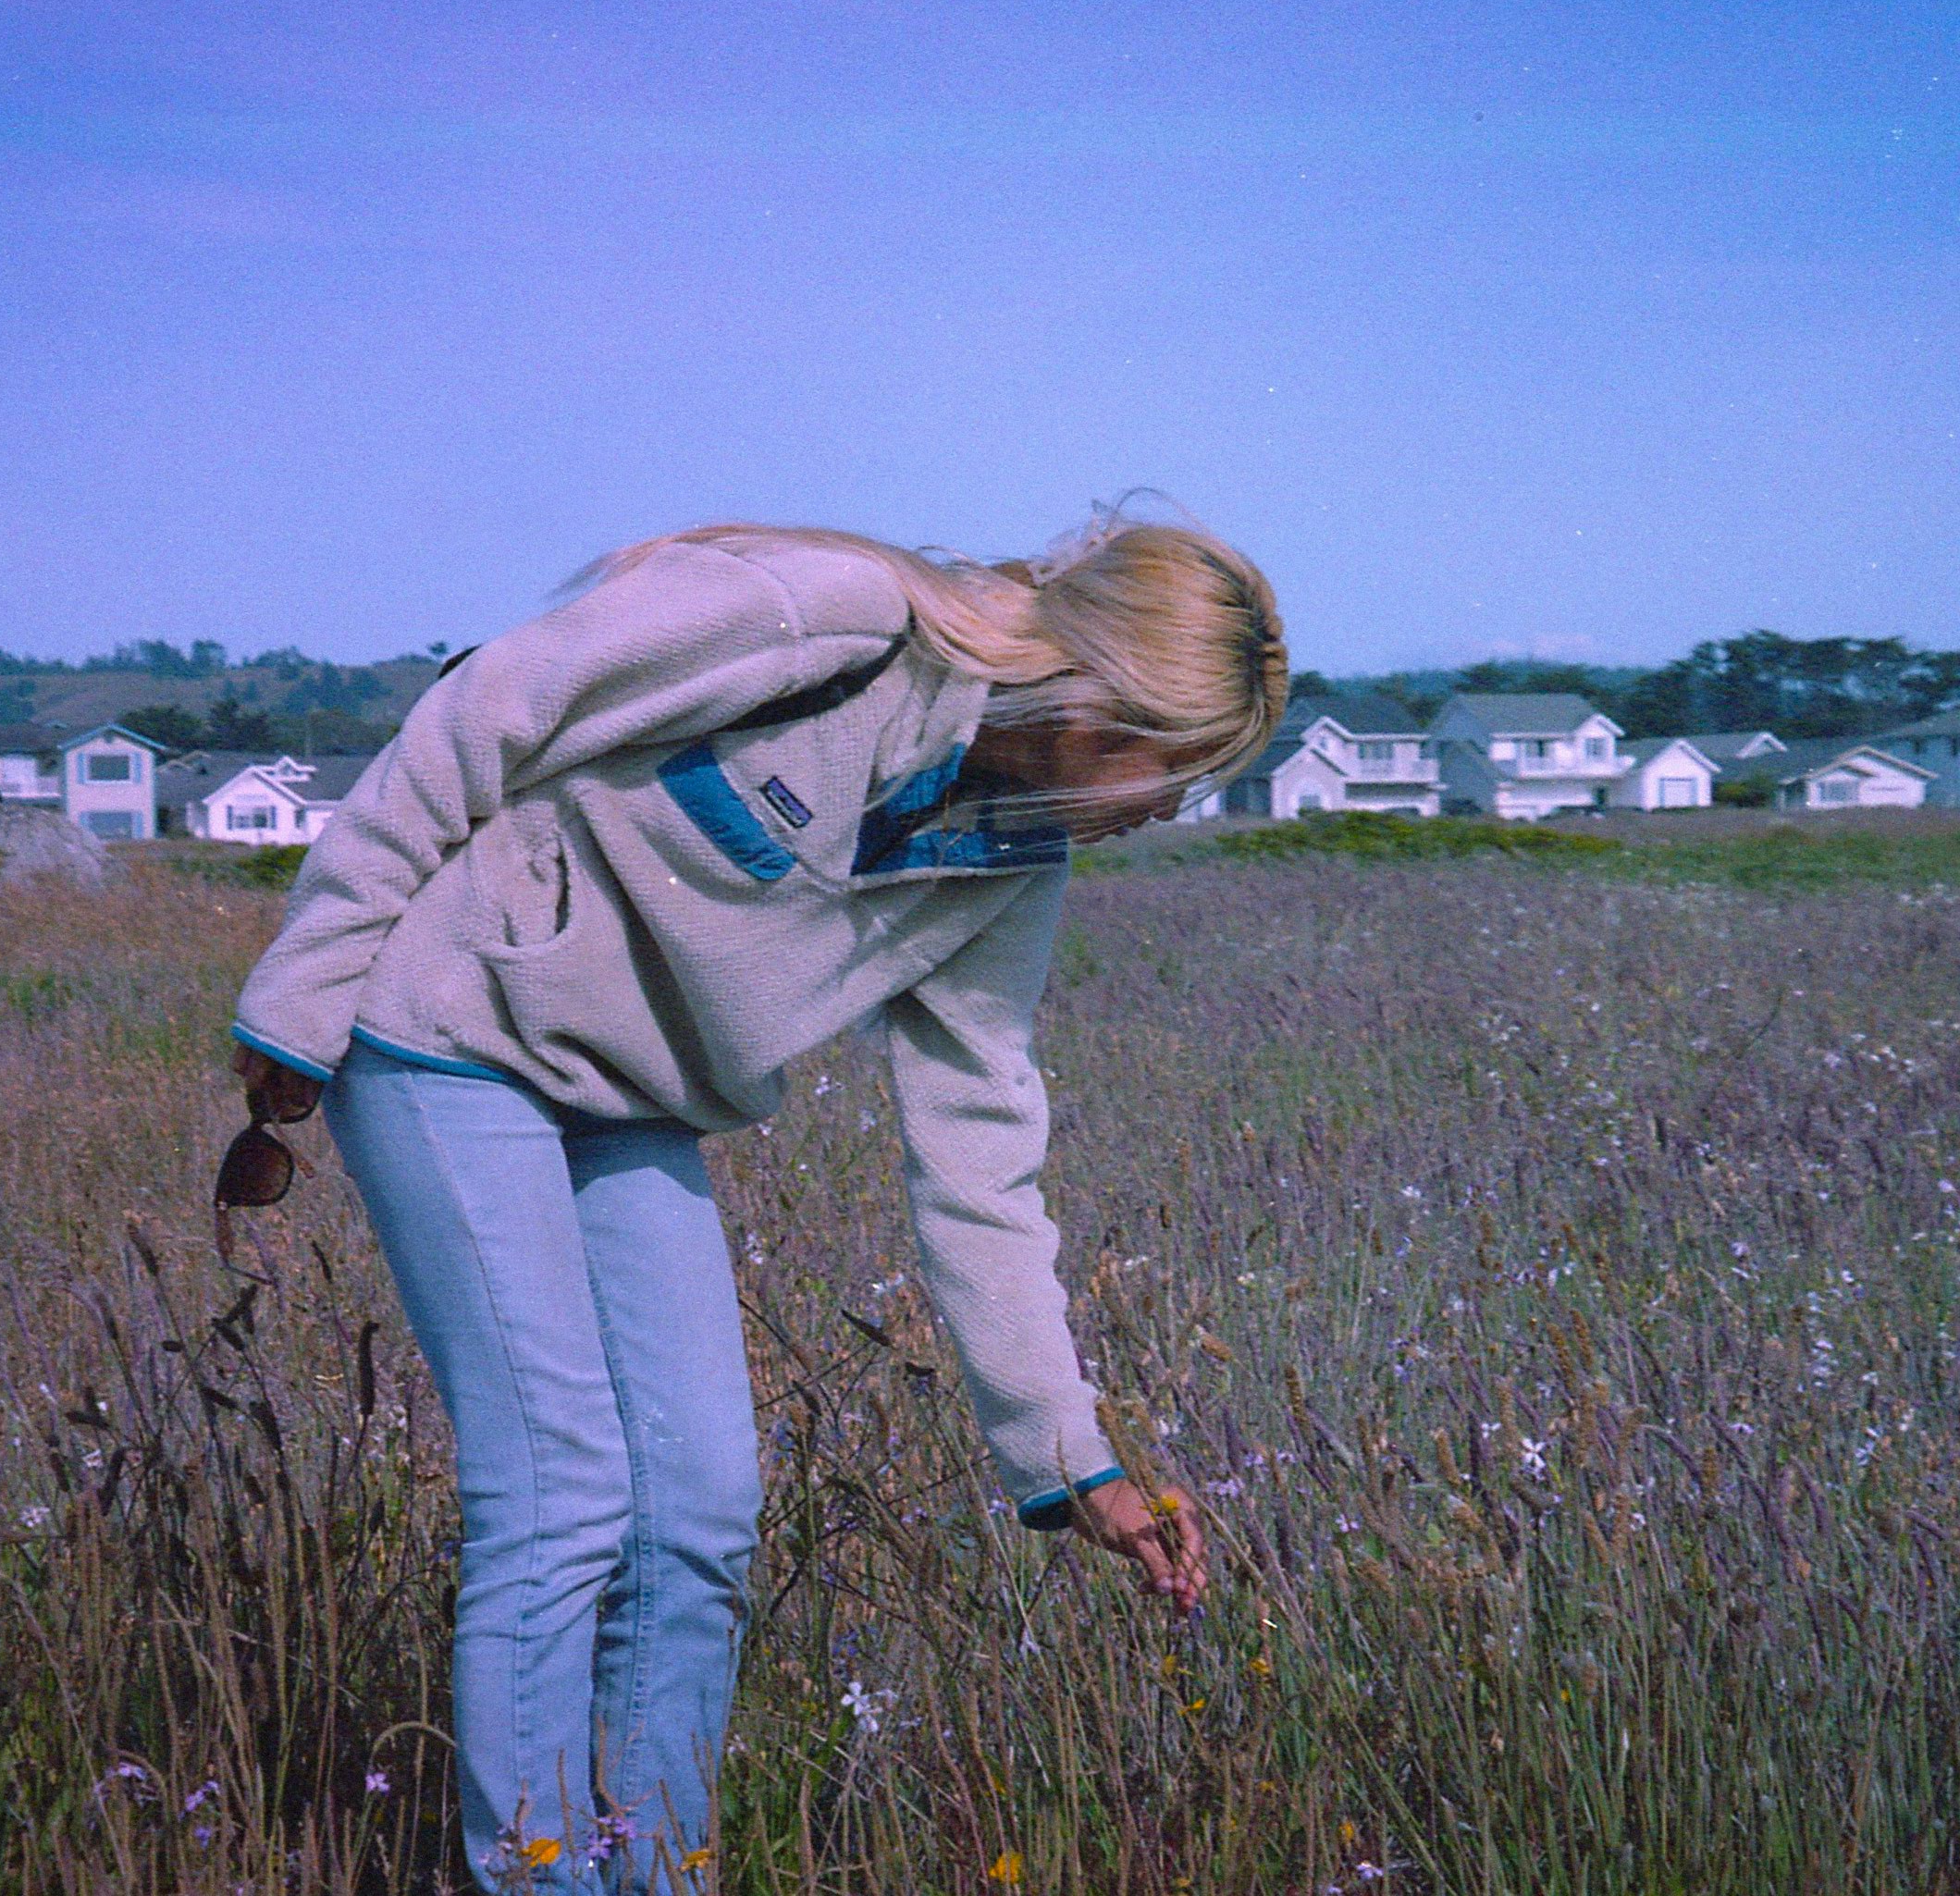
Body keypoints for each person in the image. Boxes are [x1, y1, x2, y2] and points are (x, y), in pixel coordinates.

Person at [224, 504, 1287, 1892]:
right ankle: (540, 1877)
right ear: (1097, 683)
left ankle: (657, 1875)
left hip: (631, 1095)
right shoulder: (830, 623)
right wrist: (303, 992)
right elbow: (489, 708)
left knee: (705, 1507)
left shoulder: (1017, 859)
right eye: (1169, 763)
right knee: (561, 1492)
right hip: (447, 1024)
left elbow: (982, 1160)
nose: (1163, 808)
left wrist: (1071, 1455)